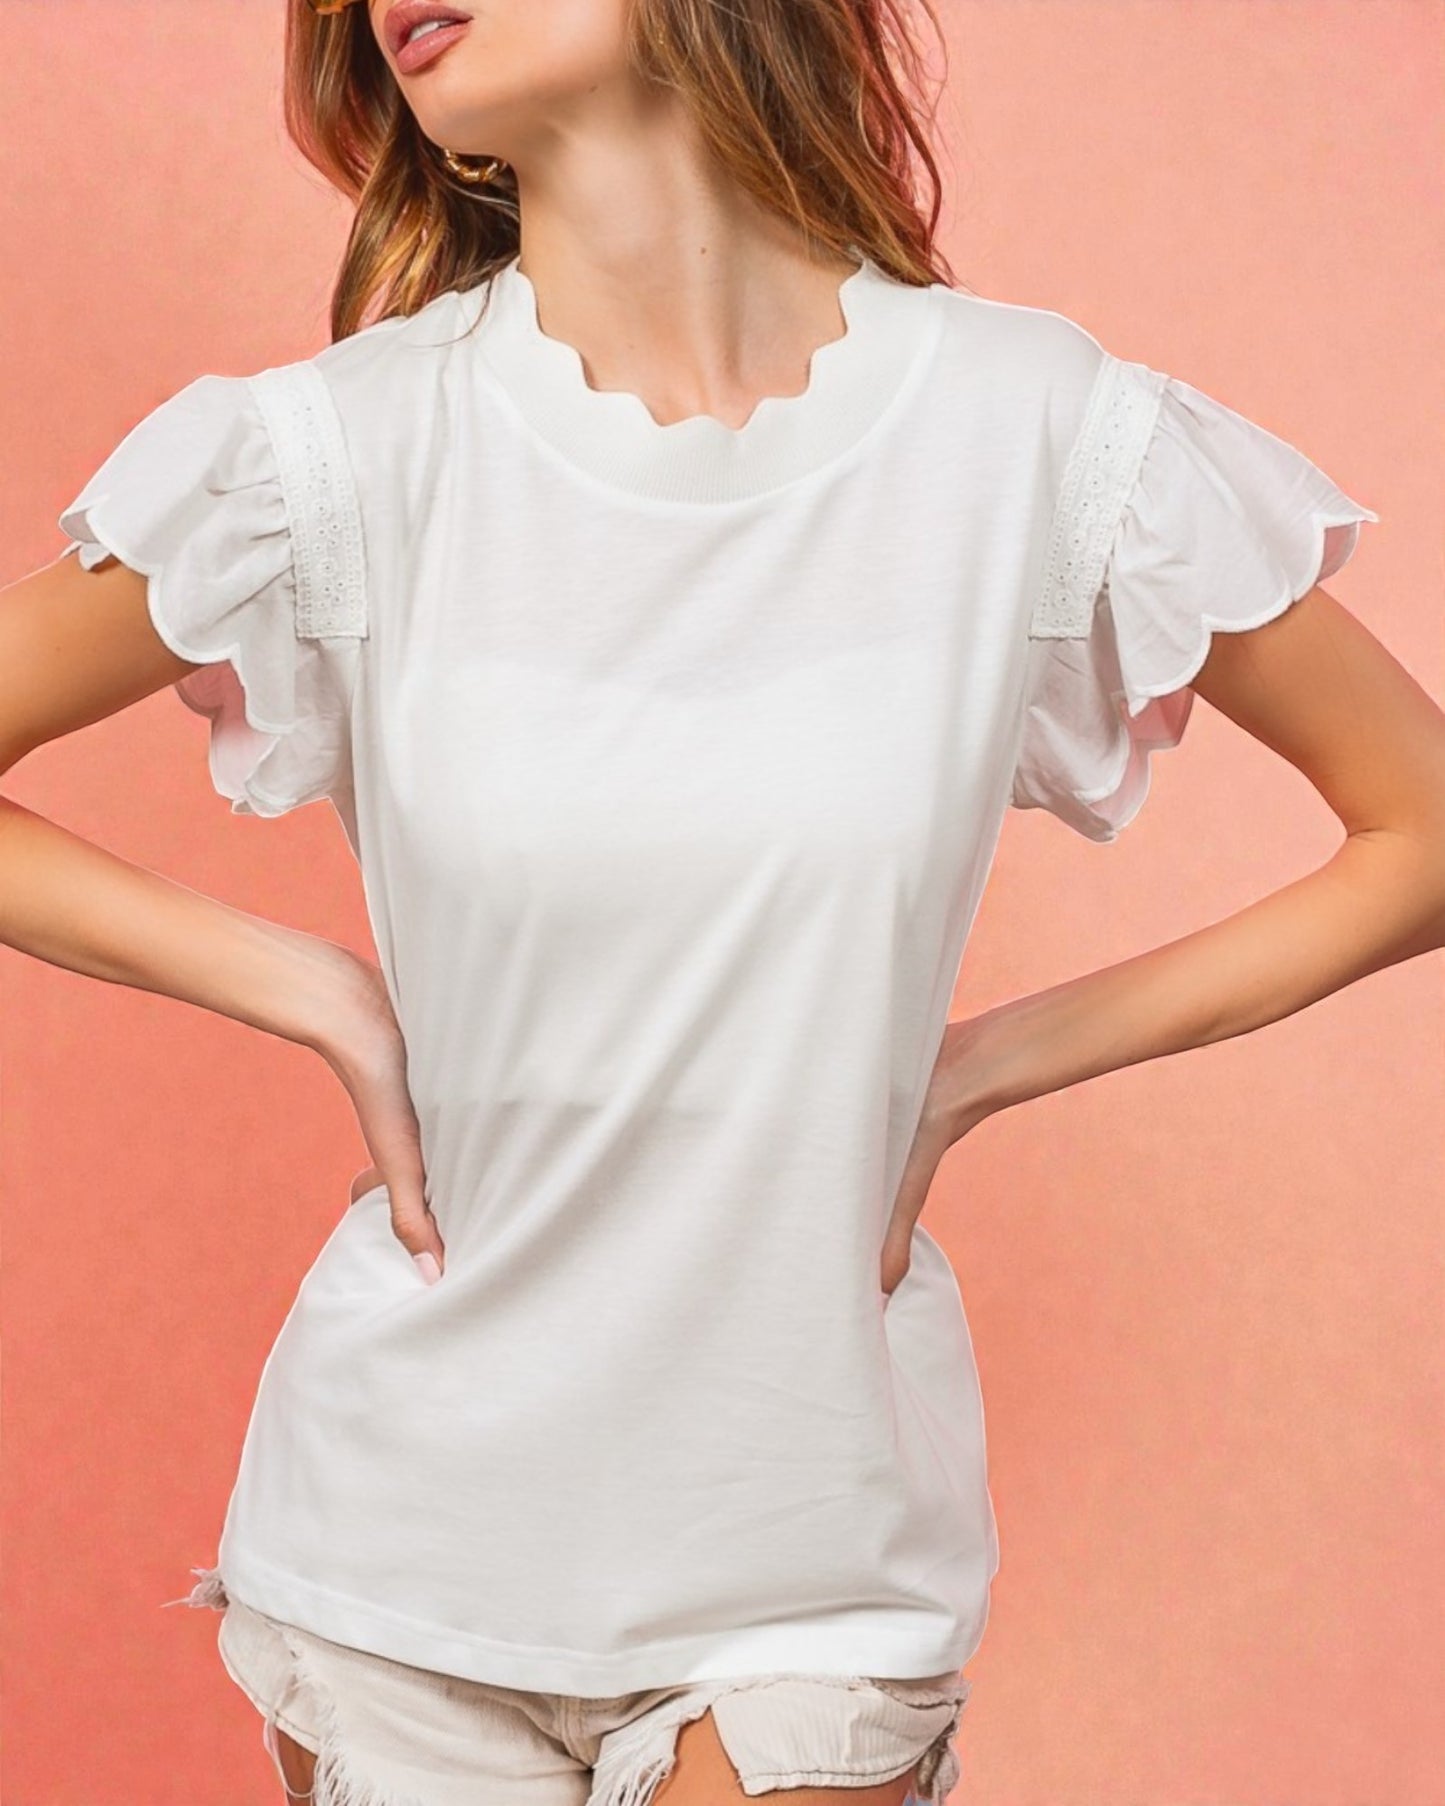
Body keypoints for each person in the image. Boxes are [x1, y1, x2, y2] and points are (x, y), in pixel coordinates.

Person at [6, 0, 1438, 1801]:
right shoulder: (333, 455)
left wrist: (979, 1066)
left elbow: (1421, 828)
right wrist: (310, 984)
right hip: (405, 1543)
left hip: (814, 1535)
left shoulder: (1031, 429)